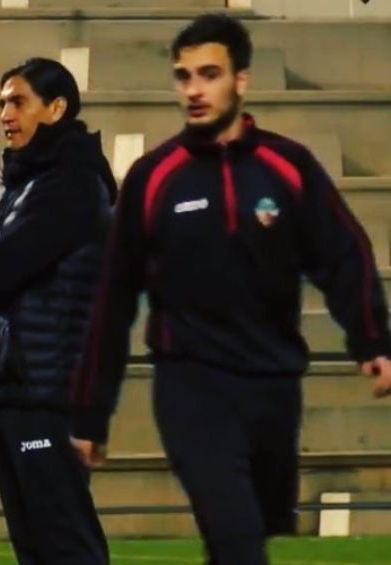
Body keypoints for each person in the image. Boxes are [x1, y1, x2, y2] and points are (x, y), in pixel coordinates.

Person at [69, 14, 391, 565]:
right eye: (184, 76)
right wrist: (90, 411)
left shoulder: (286, 168)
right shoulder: (154, 178)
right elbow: (113, 301)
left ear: (241, 79)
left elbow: (344, 255)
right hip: (191, 386)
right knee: (238, 540)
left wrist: (373, 341)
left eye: (209, 74)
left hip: (273, 386)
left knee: (244, 536)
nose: (194, 89)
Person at [0, 58, 116, 565]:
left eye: (17, 102)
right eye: (1, 104)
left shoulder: (74, 184)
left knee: (65, 540)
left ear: (56, 108)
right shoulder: (18, 185)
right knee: (32, 543)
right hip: (9, 385)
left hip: (46, 385)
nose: (5, 114)